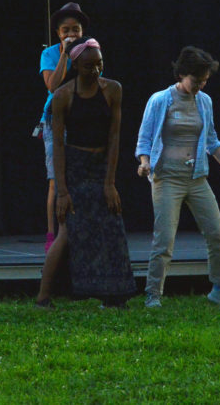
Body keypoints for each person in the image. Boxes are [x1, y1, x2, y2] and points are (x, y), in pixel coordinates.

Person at [136, 46, 220, 308]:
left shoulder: (204, 101)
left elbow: (211, 140)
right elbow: (145, 139)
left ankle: (219, 288)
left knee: (216, 233)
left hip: (196, 177)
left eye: (205, 81)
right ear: (182, 74)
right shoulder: (160, 100)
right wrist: (145, 163)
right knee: (164, 238)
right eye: (197, 80)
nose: (201, 85)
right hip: (167, 178)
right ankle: (153, 294)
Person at [36, 37, 136, 308]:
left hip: (102, 164)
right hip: (75, 165)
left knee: (112, 224)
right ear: (76, 66)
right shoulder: (63, 96)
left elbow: (114, 136)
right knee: (68, 230)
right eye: (89, 66)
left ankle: (114, 295)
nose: (96, 70)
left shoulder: (113, 90)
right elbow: (58, 144)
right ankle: (43, 297)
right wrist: (62, 191)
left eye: (99, 64)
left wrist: (110, 182)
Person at [38, 2, 89, 253]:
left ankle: (78, 231)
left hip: (81, 119)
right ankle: (53, 236)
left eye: (76, 29)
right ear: (58, 33)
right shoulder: (49, 54)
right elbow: (52, 86)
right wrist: (64, 55)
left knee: (80, 178)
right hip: (55, 119)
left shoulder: (91, 52)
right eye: (66, 30)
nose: (71, 34)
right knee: (55, 181)